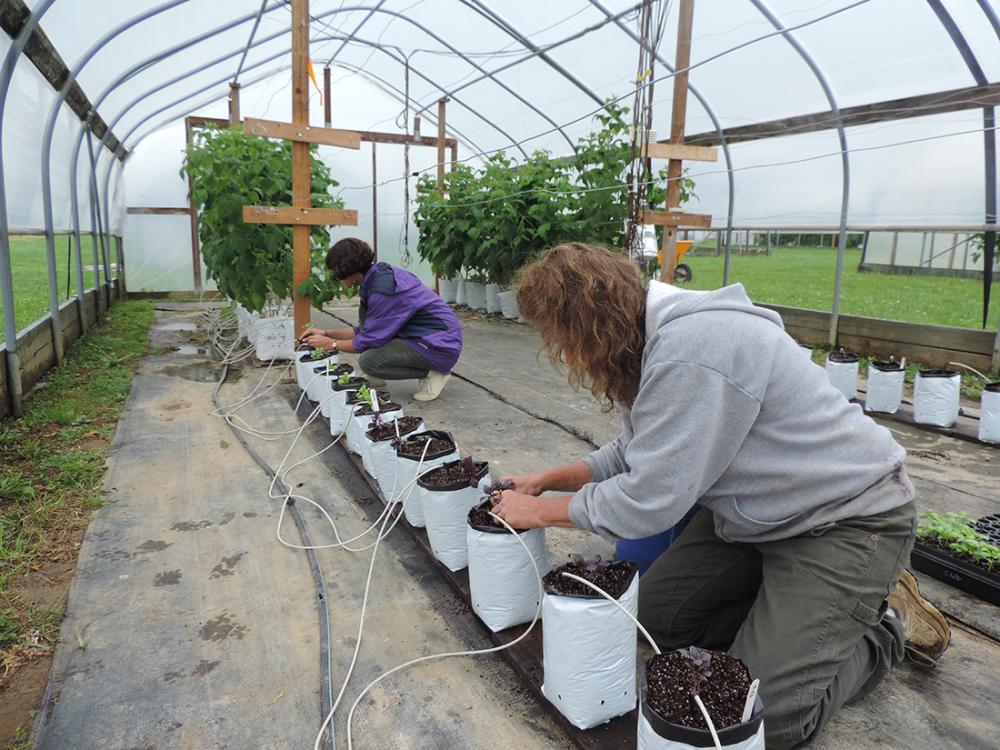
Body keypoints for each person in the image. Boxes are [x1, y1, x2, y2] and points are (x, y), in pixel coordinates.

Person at [493, 243, 951, 750]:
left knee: (761, 720)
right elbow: (636, 451)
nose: (557, 348)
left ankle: (880, 627)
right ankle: (808, 616)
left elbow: (649, 500)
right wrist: (547, 479)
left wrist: (538, 512)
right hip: (756, 518)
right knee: (657, 620)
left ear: (587, 323)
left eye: (558, 334)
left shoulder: (695, 349)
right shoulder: (652, 341)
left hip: (844, 520)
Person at [301, 238, 462, 402]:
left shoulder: (382, 289)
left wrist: (331, 344)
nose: (335, 277)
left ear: (345, 269)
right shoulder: (376, 277)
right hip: (425, 338)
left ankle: (434, 373)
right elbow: (366, 329)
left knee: (369, 361)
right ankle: (391, 379)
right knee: (373, 348)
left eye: (335, 272)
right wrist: (326, 333)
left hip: (439, 345)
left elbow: (366, 341)